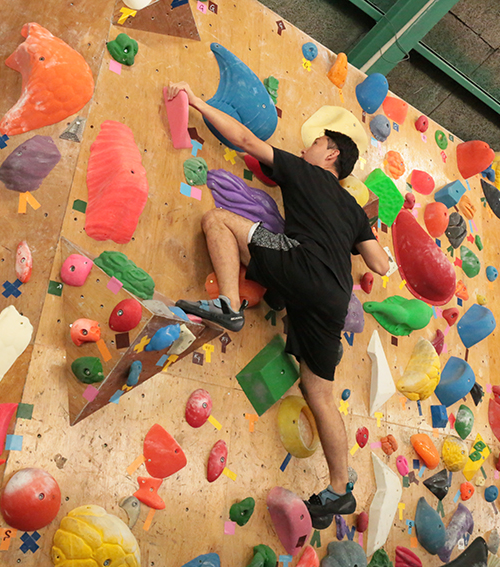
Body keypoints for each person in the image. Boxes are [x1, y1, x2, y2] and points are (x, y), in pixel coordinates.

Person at [167, 82, 390, 527]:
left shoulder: (305, 172)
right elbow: (380, 265)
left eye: (316, 144)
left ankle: (229, 304)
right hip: (334, 298)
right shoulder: (352, 209)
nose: (307, 148)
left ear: (330, 155)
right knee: (319, 393)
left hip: (301, 265)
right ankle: (340, 490)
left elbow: (246, 140)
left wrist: (197, 102)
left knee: (218, 220)